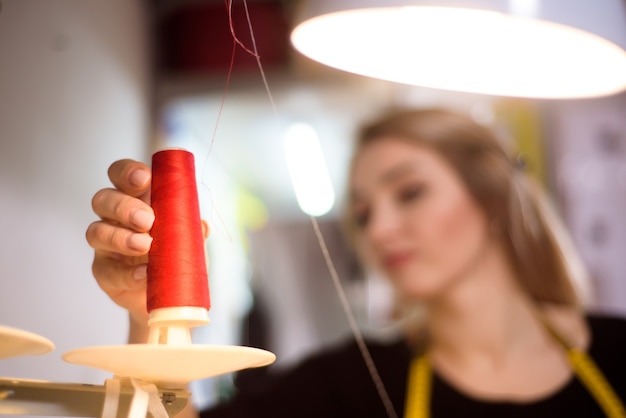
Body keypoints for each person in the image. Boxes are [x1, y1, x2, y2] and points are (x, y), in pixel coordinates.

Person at [86, 108, 626, 418]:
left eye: (410, 193)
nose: (381, 230)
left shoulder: (622, 356)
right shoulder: (347, 386)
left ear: (491, 199)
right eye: (363, 214)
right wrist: (147, 316)